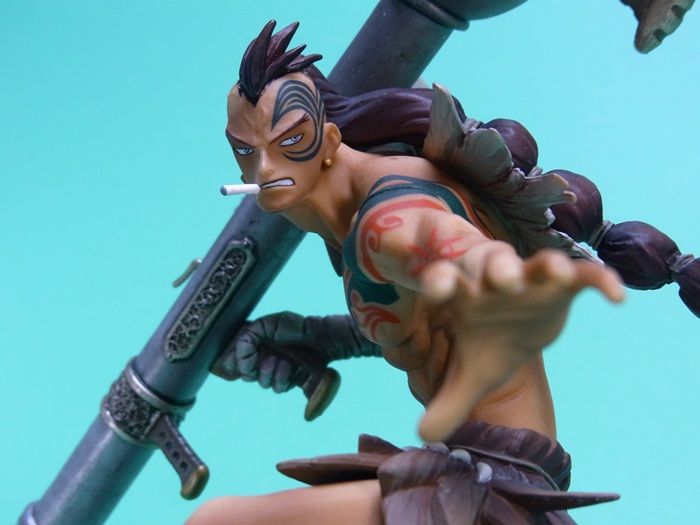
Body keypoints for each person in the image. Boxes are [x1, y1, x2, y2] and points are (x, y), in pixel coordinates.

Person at [185, 21, 629, 525]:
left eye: (290, 140)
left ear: (329, 138)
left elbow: (439, 243)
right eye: (246, 150)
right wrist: (315, 337)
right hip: (487, 467)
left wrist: (486, 268)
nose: (265, 168)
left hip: (490, 484)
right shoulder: (371, 200)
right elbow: (426, 323)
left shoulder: (385, 222)